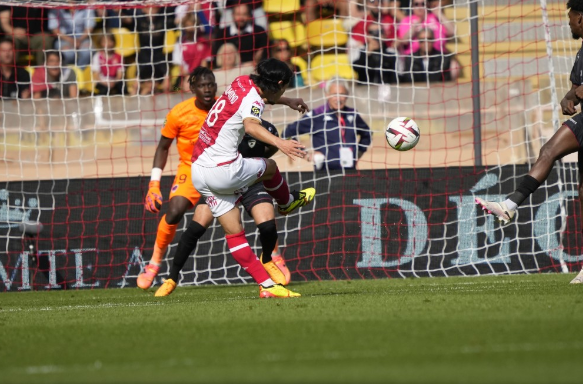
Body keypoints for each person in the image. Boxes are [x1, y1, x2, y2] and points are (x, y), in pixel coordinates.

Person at [186, 58, 315, 298]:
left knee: (234, 233)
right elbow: (251, 126)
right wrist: (281, 143)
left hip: (199, 170)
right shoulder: (254, 100)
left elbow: (256, 101)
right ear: (278, 83)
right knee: (270, 165)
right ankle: (287, 202)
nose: (285, 91)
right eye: (285, 88)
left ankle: (267, 287)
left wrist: (287, 101)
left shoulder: (241, 82)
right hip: (222, 170)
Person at [476, 1, 583, 285]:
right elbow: (575, 88)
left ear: (581, 18)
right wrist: (568, 97)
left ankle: (510, 204)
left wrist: (577, 93)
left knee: (548, 150)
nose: (569, 23)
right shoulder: (582, 51)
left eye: (571, 17)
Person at [154, 119, 292, 297]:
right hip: (222, 181)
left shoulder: (266, 128)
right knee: (196, 226)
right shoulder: (224, 125)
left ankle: (267, 259)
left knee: (267, 224)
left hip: (250, 180)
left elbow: (271, 149)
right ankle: (171, 278)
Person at [137, 66, 218, 291]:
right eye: (202, 85)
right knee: (174, 212)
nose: (207, 89)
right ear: (192, 88)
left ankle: (274, 257)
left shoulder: (225, 107)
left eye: (211, 84)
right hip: (191, 169)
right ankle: (154, 262)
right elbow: (163, 147)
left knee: (255, 205)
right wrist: (154, 184)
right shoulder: (179, 113)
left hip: (223, 168)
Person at [283, 77, 371, 171]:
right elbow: (287, 133)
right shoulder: (316, 115)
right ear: (327, 94)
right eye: (334, 94)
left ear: (348, 95)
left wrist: (358, 153)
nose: (338, 99)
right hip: (324, 174)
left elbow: (367, 134)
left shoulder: (352, 114)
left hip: (350, 171)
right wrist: (306, 155)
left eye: (342, 94)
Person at [172, 12, 212, 92]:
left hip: (200, 77)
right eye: (187, 26)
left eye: (192, 26)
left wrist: (196, 78)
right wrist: (188, 77)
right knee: (176, 88)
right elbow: (181, 67)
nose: (190, 29)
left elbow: (204, 66)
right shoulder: (179, 44)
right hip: (184, 77)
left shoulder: (204, 43)